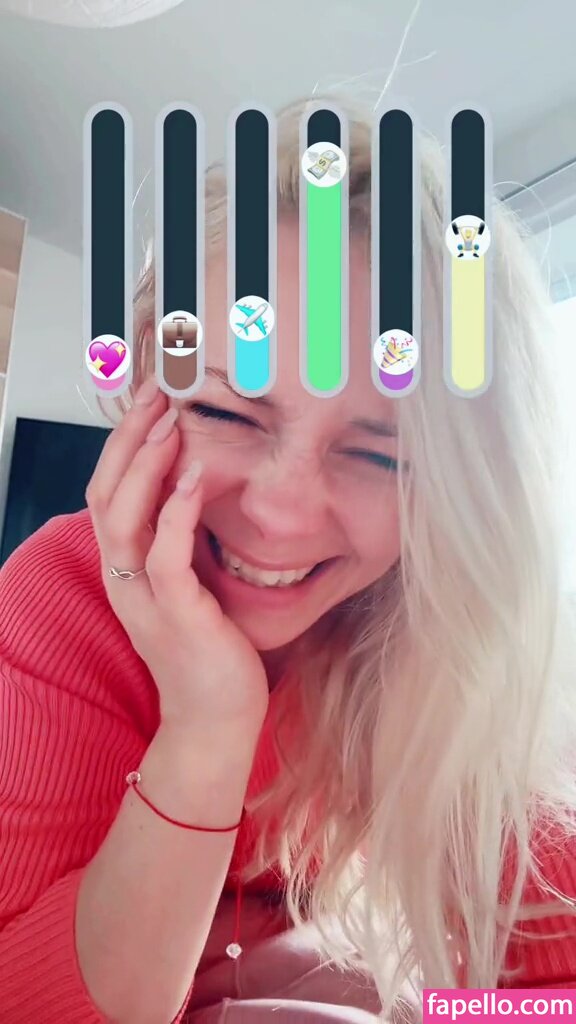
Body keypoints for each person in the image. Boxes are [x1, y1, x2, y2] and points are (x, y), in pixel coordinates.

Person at [1, 95, 576, 1024]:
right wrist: (206, 729)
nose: (280, 513)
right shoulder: (59, 598)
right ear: (147, 381)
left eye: (383, 456)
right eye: (223, 411)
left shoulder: (454, 633)